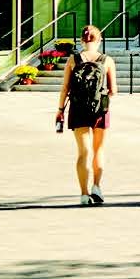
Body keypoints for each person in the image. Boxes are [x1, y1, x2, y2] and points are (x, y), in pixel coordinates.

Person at [54, 25, 116, 206]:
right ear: (99, 40)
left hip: (78, 109)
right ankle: (97, 187)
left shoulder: (73, 60)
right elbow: (114, 90)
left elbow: (65, 88)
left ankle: (83, 194)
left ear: (82, 41)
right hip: (100, 110)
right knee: (99, 150)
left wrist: (60, 110)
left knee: (83, 152)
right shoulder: (107, 60)